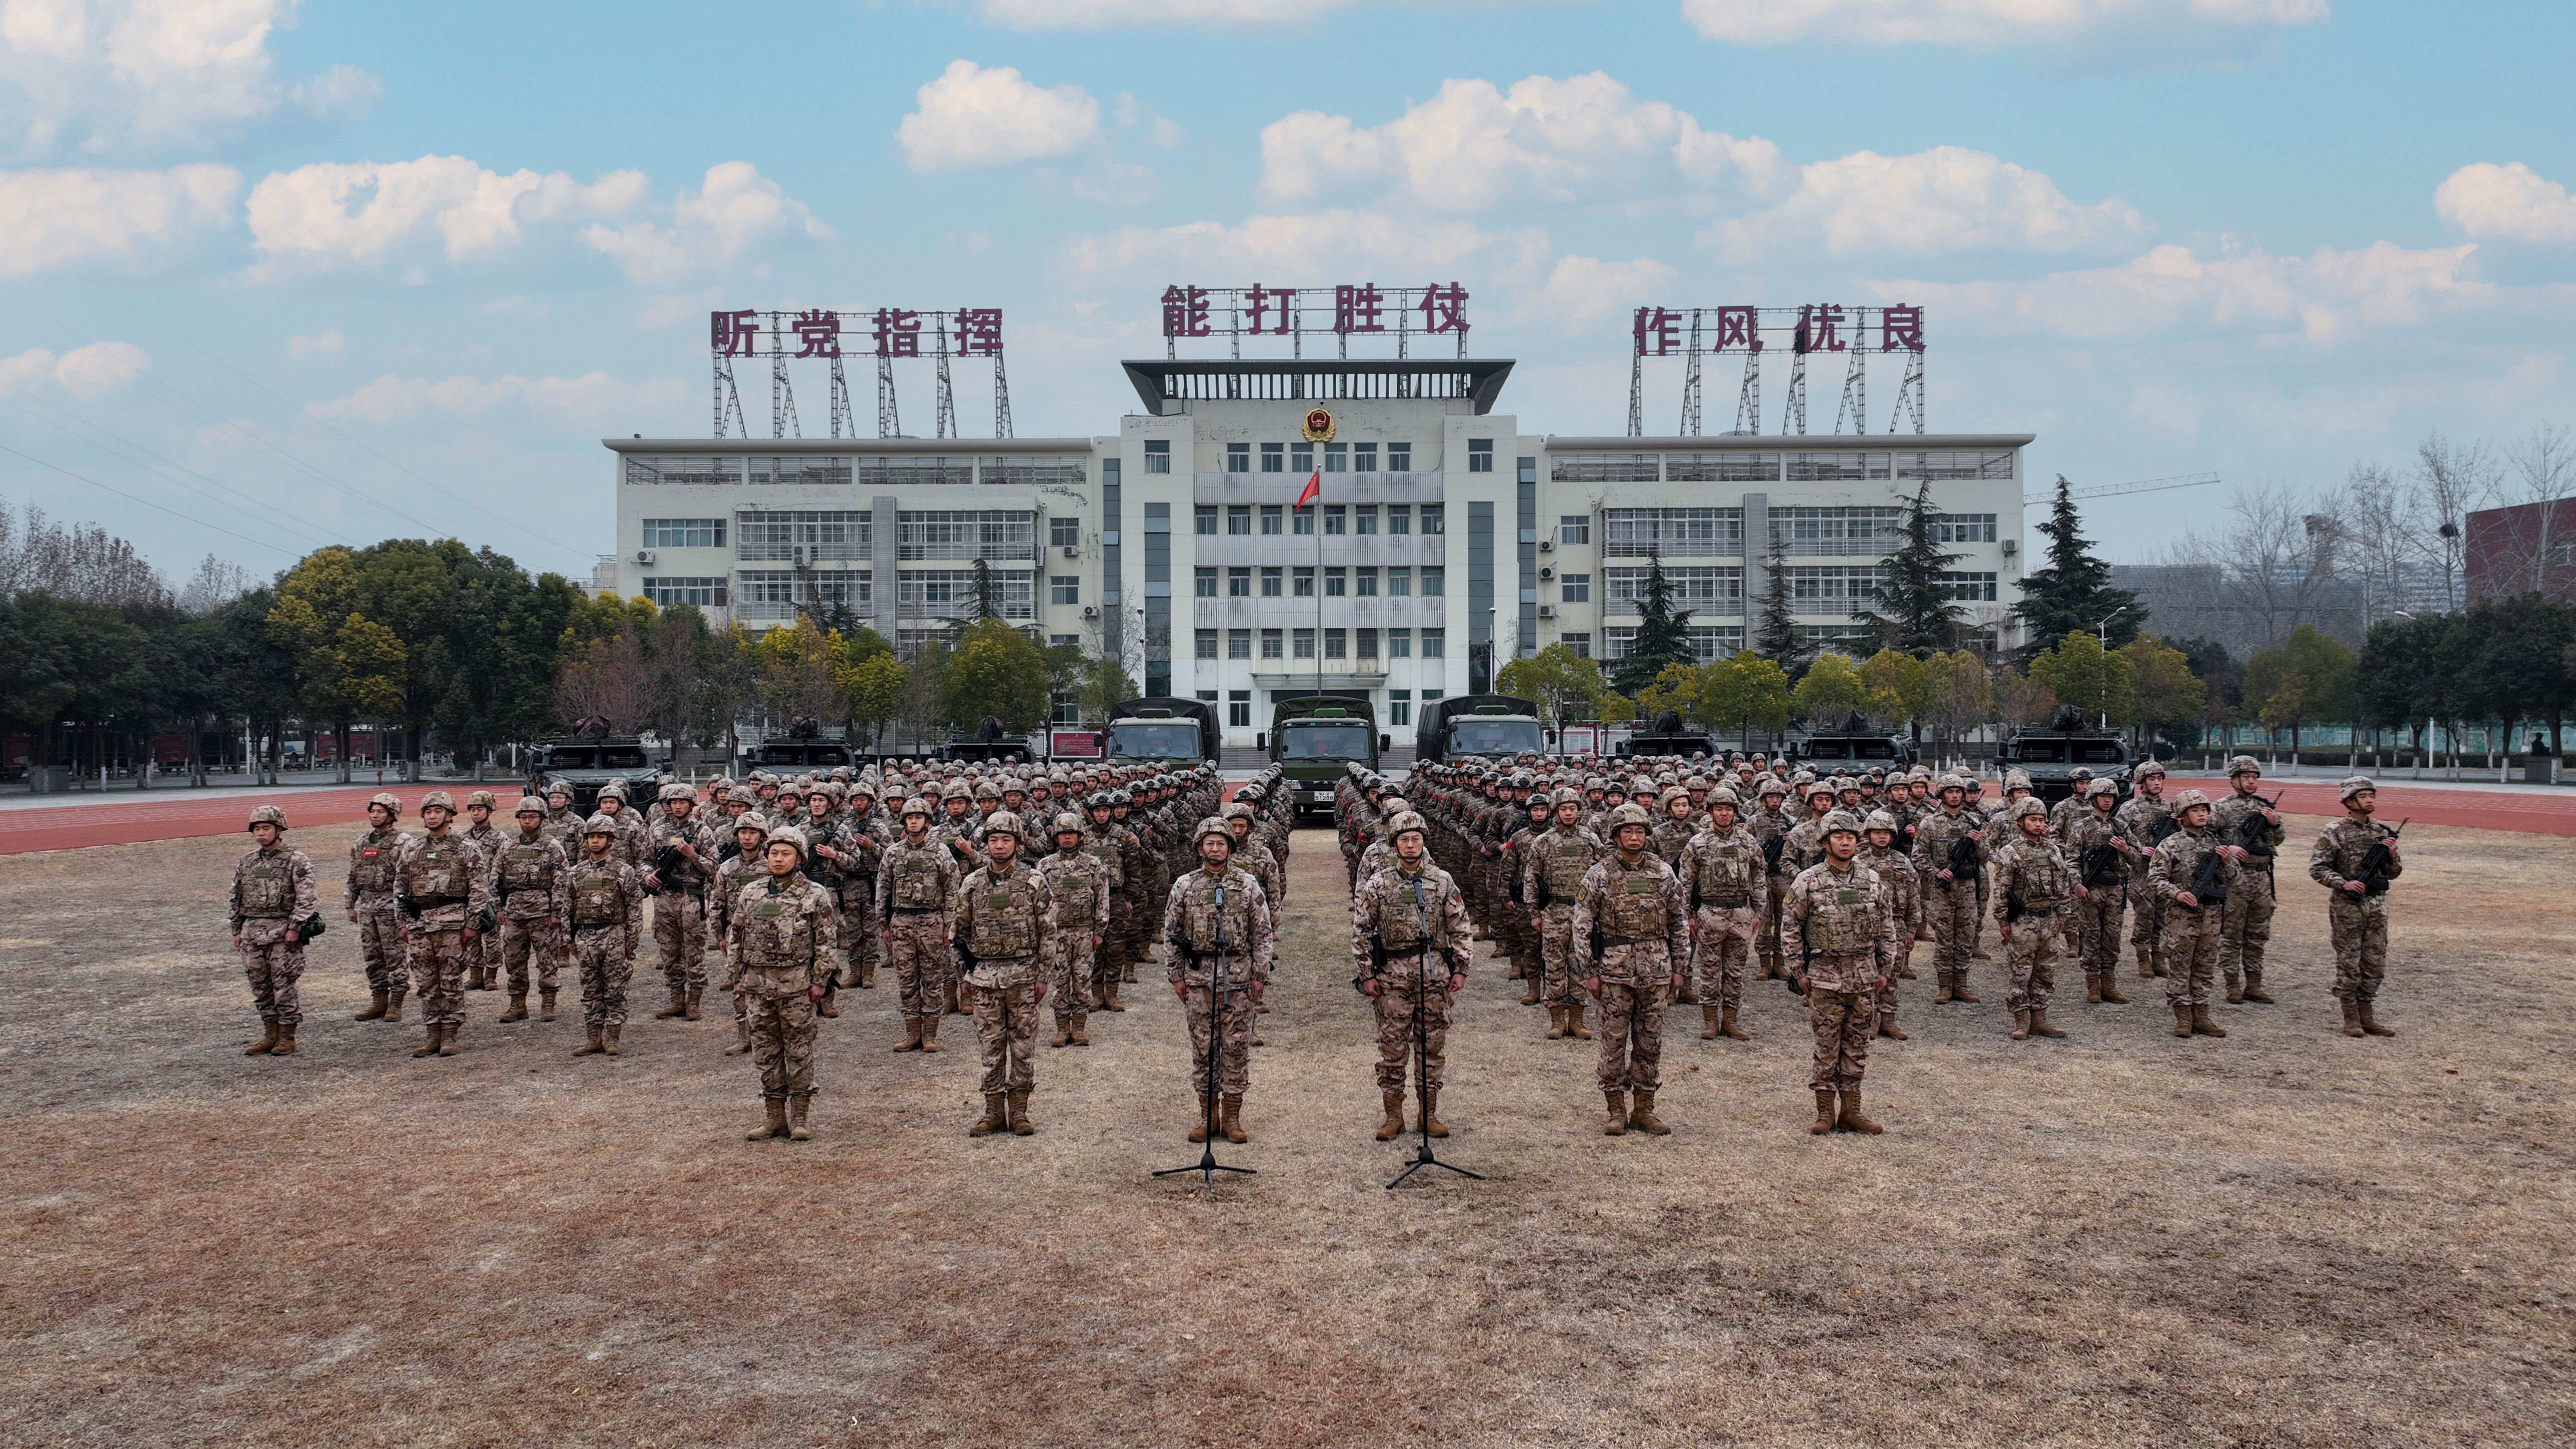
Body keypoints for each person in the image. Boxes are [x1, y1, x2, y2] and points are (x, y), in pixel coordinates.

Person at [1351, 810, 1473, 1141]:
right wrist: (1366, 974)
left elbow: (1460, 926)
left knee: (1431, 1048)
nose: (1410, 845)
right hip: (1391, 977)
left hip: (1434, 976)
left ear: (1423, 843)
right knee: (1392, 1049)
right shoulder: (1379, 882)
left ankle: (1428, 1115)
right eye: (1403, 839)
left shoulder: (1442, 880)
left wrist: (1461, 969)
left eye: (1415, 839)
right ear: (1394, 845)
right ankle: (1393, 1116)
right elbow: (1361, 930)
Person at [1573, 803, 1689, 1137]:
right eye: (1628, 832)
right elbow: (1582, 926)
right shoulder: (1599, 875)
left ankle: (1644, 1108)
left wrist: (1680, 968)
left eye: (1640, 832)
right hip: (1614, 971)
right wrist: (1588, 972)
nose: (1635, 837)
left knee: (1650, 1042)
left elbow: (1679, 923)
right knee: (1614, 1041)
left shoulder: (1664, 872)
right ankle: (1615, 1109)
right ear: (1615, 836)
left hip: (1656, 969)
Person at [1161, 816, 1275, 1145]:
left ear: (1230, 848)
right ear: (1199, 849)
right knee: (1203, 1049)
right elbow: (1171, 934)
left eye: (1221, 843)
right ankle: (1208, 1116)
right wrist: (1177, 976)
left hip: (1239, 979)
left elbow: (1263, 933)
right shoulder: (1184, 885)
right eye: (1209, 843)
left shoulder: (1247, 884)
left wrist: (1259, 975)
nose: (1215, 848)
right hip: (1198, 979)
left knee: (1236, 1048)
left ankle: (1233, 1117)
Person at [723, 824, 838, 1142]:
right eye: (774, 853)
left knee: (799, 1050)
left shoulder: (815, 893)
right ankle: (774, 1117)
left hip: (797, 986)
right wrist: (736, 977)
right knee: (765, 1051)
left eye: (786, 854)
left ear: (799, 858)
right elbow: (736, 935)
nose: (778, 859)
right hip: (757, 987)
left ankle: (800, 1117)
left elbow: (827, 941)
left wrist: (820, 981)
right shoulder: (752, 892)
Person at [1786, 811, 1894, 1135]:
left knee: (1857, 1045)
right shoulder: (1808, 881)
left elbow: (1887, 927)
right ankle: (1824, 1113)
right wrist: (1798, 970)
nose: (1845, 842)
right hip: (1824, 977)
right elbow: (1790, 926)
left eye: (1850, 837)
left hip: (1863, 976)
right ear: (1824, 842)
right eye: (1838, 837)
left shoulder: (1871, 880)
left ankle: (1852, 1111)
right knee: (1827, 1045)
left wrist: (1885, 969)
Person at [952, 811, 1051, 1136]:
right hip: (984, 978)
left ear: (1018, 843)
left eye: (1006, 839)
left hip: (1023, 977)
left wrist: (1043, 976)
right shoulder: (973, 882)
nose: (998, 845)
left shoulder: (1034, 881)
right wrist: (963, 976)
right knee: (991, 1047)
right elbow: (959, 932)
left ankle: (1019, 1112)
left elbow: (1048, 932)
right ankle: (993, 1112)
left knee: (1022, 1048)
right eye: (993, 840)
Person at [393, 790, 489, 1059]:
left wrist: (471, 923)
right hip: (419, 924)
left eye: (438, 812)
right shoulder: (412, 848)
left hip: (451, 922)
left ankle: (450, 1033)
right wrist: (403, 922)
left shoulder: (465, 847)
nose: (432, 816)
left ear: (450, 816)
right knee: (425, 981)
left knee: (450, 979)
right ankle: (432, 1032)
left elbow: (479, 889)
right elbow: (400, 887)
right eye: (428, 812)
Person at [2310, 776, 2403, 1039]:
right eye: (2364, 796)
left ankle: (2367, 1015)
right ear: (2349, 801)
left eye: (2372, 795)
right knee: (2349, 961)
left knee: (2374, 962)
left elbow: (2394, 873)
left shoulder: (2382, 832)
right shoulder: (2334, 831)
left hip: (2376, 904)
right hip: (2348, 906)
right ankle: (2351, 1018)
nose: (2370, 800)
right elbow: (2317, 868)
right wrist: (2344, 883)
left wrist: (2393, 856)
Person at [2149, 787, 2239, 1040]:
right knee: (2180, 965)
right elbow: (2155, 879)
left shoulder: (2218, 844)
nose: (2201, 815)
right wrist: (2177, 893)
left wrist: (2228, 862)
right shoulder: (2171, 845)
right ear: (2182, 816)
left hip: (2212, 916)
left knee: (2205, 965)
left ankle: (2202, 1014)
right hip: (2182, 918)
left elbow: (2234, 881)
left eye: (2204, 810)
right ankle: (2183, 1018)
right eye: (2195, 811)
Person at [229, 804, 319, 1057]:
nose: (261, 833)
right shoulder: (247, 861)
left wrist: (295, 927)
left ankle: (287, 1036)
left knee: (284, 985)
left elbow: (306, 896)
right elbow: (236, 896)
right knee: (260, 985)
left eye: (266, 828)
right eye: (257, 829)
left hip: (282, 933)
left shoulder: (295, 859)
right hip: (252, 933)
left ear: (279, 829)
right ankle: (269, 1034)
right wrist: (237, 929)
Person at [878, 797, 962, 1053]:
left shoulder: (940, 851)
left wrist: (949, 924)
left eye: (919, 818)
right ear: (904, 822)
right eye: (910, 818)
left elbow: (952, 889)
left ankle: (930, 1035)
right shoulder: (893, 852)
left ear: (928, 822)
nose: (914, 822)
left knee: (932, 977)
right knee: (906, 979)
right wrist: (884, 924)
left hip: (932, 921)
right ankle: (912, 1032)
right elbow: (883, 888)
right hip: (901, 921)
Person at [1990, 797, 2078, 1042]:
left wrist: (2062, 914)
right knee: (2021, 972)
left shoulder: (2052, 849)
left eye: (2041, 820)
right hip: (2023, 922)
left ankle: (2040, 1019)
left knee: (2046, 971)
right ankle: (2021, 1021)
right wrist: (2003, 922)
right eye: (2033, 820)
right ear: (2020, 822)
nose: (2039, 824)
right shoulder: (2009, 853)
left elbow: (2062, 885)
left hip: (2048, 920)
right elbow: (2001, 892)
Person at [1523, 789, 1607, 1042]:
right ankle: (1558, 1020)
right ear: (1555, 812)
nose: (1569, 813)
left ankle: (1578, 1020)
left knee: (1582, 965)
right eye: (1563, 809)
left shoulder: (1591, 840)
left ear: (1579, 811)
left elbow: (1604, 875)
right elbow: (1531, 879)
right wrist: (1534, 913)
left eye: (1573, 808)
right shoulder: (1544, 842)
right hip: (1554, 914)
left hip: (1584, 914)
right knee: (1555, 966)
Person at [1682, 787, 1762, 1043]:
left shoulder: (1748, 841)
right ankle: (1709, 1022)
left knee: (1735, 971)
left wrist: (1758, 911)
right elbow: (1685, 881)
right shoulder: (1698, 842)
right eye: (1719, 809)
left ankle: (1731, 1021)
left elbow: (1759, 876)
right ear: (1710, 812)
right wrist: (1689, 915)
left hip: (1741, 912)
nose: (1724, 814)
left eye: (1729, 809)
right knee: (1709, 969)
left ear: (1736, 813)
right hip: (1709, 912)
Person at [2209, 756, 2285, 1005]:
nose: (2251, 782)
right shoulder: (2220, 808)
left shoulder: (2265, 807)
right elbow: (2204, 838)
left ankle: (2254, 985)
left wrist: (2274, 824)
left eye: (2255, 777)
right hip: (2235, 879)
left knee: (2258, 934)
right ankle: (2232, 985)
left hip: (2262, 877)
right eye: (2246, 777)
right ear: (2234, 780)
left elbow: (2279, 838)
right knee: (2232, 934)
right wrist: (2228, 848)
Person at [567, 815, 645, 1057]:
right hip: (586, 936)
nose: (595, 841)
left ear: (610, 840)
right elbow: (567, 907)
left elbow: (634, 907)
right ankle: (593, 1038)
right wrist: (570, 940)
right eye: (592, 837)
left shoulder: (623, 871)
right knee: (590, 990)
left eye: (601, 837)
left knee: (614, 990)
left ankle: (612, 1038)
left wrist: (631, 941)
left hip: (614, 936)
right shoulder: (576, 873)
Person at [491, 797, 571, 1024]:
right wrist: (498, 908)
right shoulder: (509, 846)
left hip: (543, 914)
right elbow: (495, 878)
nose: (527, 821)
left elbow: (561, 881)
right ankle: (518, 1004)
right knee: (514, 961)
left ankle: (548, 1004)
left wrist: (557, 912)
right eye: (523, 817)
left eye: (532, 817)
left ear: (542, 819)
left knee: (547, 960)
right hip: (514, 914)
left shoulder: (552, 846)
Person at [1034, 812, 1110, 1051]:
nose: (1067, 838)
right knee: (1059, 981)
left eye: (1071, 834)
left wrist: (1100, 930)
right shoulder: (1045, 866)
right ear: (1056, 837)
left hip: (1085, 933)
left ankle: (1078, 1028)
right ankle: (1061, 1029)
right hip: (1056, 935)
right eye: (1063, 834)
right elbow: (1039, 901)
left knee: (1082, 979)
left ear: (1079, 836)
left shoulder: (1093, 865)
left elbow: (1102, 898)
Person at [1909, 775, 1986, 1006]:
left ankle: (1961, 985)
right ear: (1941, 795)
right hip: (1942, 891)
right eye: (1950, 792)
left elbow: (1986, 857)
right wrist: (1937, 871)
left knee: (1964, 937)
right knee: (1944, 938)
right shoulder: (1929, 824)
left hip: (1968, 889)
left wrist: (1978, 843)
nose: (1955, 796)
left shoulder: (1972, 823)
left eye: (1958, 792)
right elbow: (1918, 856)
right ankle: (1944, 987)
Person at [2060, 779, 2134, 1007]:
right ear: (2093, 799)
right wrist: (2077, 884)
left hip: (2115, 889)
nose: (2107, 800)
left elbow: (2139, 858)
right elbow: (2071, 859)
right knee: (2091, 936)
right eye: (2103, 796)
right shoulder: (2081, 827)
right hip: (2091, 890)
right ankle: (2093, 985)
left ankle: (2109, 985)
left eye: (2111, 797)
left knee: (2112, 937)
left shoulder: (2121, 826)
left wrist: (2126, 849)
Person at [706, 812, 772, 1055]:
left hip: (769, 935)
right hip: (738, 936)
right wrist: (720, 937)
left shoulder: (772, 865)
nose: (747, 837)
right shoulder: (727, 868)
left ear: (762, 836)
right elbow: (717, 904)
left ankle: (767, 1036)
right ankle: (744, 1036)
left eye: (753, 832)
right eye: (743, 832)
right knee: (740, 985)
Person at [343, 792, 411, 1023]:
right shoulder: (362, 842)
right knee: (372, 956)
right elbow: (353, 875)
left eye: (380, 812)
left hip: (391, 908)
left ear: (392, 816)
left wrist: (404, 912)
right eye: (372, 811)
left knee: (394, 957)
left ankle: (396, 1003)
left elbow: (407, 878)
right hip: (367, 907)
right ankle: (378, 1001)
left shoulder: (403, 842)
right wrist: (350, 905)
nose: (375, 815)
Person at [1856, 809, 1921, 1041]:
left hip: (1897, 924)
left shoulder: (1902, 861)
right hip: (1867, 925)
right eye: (1877, 833)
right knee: (1869, 973)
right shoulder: (1858, 861)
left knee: (1892, 974)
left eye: (1886, 833)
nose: (1882, 837)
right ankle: (1870, 1020)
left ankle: (1888, 1021)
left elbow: (1914, 894)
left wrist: (1913, 927)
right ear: (1868, 834)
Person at [459, 790, 505, 991]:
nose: (476, 813)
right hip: (469, 896)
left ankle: (491, 976)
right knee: (471, 936)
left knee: (492, 935)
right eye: (473, 810)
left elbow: (502, 869)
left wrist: (499, 901)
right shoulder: (462, 837)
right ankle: (475, 974)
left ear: (490, 811)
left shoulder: (499, 837)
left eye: (480, 809)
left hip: (491, 894)